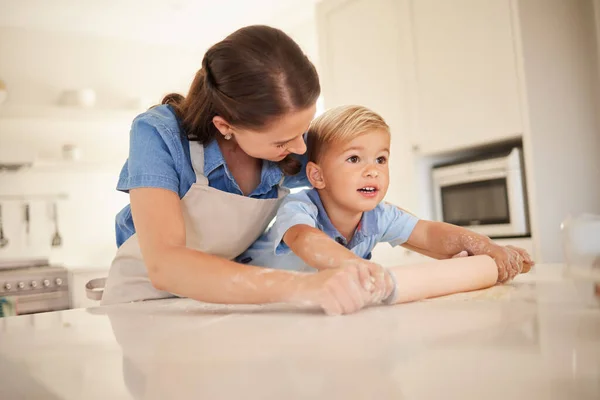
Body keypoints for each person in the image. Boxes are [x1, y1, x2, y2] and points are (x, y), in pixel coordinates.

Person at [100, 25, 390, 316]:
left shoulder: (290, 149)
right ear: (225, 126)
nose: (301, 149)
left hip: (221, 302)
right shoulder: (158, 133)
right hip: (146, 308)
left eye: (302, 131)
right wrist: (303, 286)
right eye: (282, 141)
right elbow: (166, 264)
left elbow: (351, 185)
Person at [237, 105, 535, 293]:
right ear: (317, 177)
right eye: (354, 158)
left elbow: (430, 234)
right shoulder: (301, 206)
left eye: (381, 159)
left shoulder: (379, 216)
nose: (372, 171)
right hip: (244, 294)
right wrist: (359, 269)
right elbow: (304, 240)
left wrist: (487, 249)